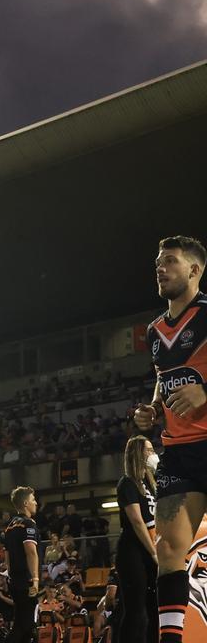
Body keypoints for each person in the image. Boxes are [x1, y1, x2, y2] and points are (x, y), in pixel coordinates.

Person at [134, 235, 207, 643]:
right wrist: (154, 410)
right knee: (168, 551)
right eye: (158, 262)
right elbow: (164, 380)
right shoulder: (155, 329)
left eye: (171, 262)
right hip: (178, 454)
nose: (161, 269)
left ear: (194, 270)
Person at [114, 435, 158, 643]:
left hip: (149, 549)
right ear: (137, 454)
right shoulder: (127, 482)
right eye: (147, 450)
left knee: (152, 609)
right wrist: (153, 552)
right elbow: (137, 521)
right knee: (136, 611)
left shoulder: (149, 483)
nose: (152, 454)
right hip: (132, 551)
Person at [3, 486, 40, 643]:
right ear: (25, 503)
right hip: (26, 580)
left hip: (15, 580)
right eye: (33, 500)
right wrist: (35, 579)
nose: (36, 503)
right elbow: (31, 552)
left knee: (25, 626)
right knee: (23, 625)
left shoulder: (10, 526)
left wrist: (10, 577)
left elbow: (7, 555)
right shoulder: (28, 524)